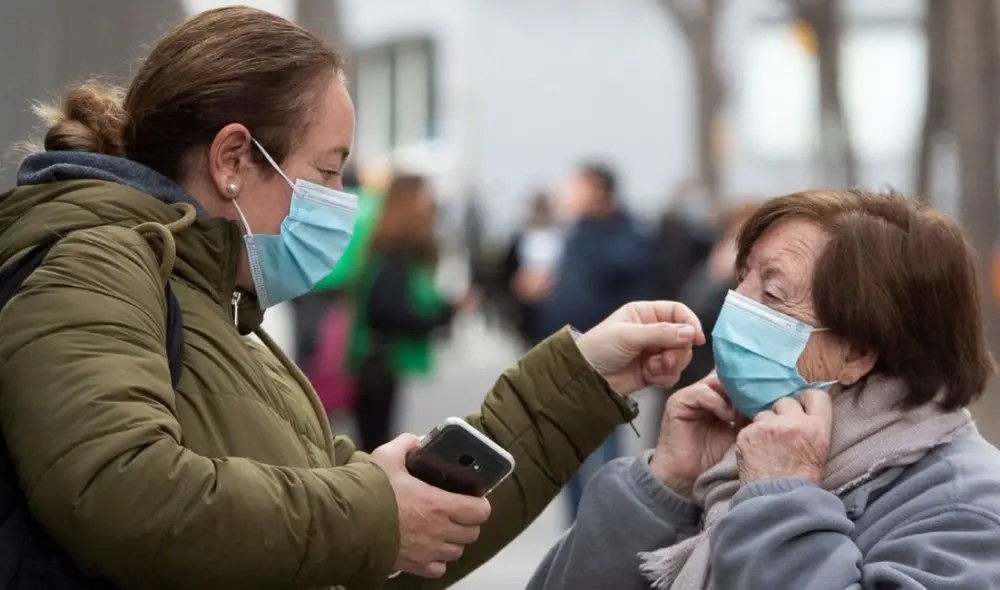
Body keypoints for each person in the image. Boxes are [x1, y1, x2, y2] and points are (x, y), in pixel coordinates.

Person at [0, 7, 707, 590]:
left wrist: (584, 377)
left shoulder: (222, 312)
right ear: (234, 160)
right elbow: (122, 492)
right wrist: (377, 510)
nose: (344, 202)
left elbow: (361, 548)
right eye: (329, 170)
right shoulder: (95, 258)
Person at [528, 189, 1000, 590]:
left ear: (857, 353)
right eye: (741, 280)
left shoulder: (968, 512)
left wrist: (780, 500)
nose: (735, 307)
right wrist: (663, 489)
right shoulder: (736, 456)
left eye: (772, 295)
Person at [543, 162, 652, 522]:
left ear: (600, 191)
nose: (569, 194)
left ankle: (606, 521)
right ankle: (576, 525)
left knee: (605, 445)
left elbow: (621, 275)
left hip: (607, 360)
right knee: (568, 444)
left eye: (578, 187)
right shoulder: (577, 233)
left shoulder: (623, 235)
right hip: (569, 355)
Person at [348, 174, 466, 452]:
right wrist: (443, 314)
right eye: (424, 197)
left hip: (377, 360)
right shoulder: (397, 251)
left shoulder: (385, 245)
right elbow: (388, 309)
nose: (430, 205)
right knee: (377, 443)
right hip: (380, 363)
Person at [497, 190, 564, 348]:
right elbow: (507, 273)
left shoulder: (563, 237)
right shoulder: (520, 238)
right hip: (528, 310)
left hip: (555, 305)